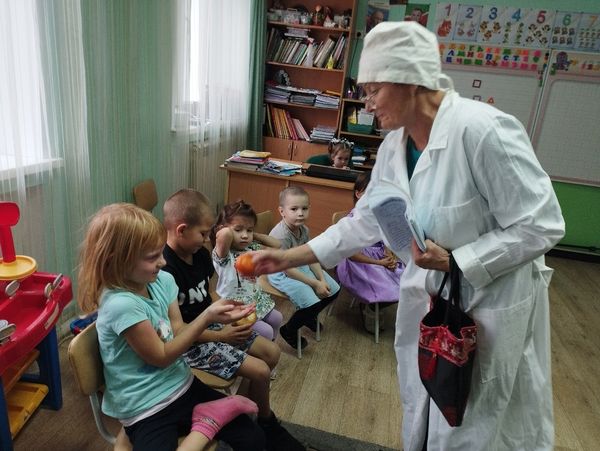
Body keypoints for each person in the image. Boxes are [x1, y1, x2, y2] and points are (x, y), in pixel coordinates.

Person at [252, 22, 565, 451]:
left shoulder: (483, 131)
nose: (366, 103)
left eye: (374, 90)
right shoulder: (395, 146)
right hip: (430, 297)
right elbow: (363, 221)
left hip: (489, 303)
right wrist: (288, 258)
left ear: (410, 80)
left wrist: (458, 260)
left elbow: (542, 223)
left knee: (474, 423)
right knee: (424, 404)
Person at [77, 203, 265, 451]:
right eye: (152, 257)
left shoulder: (162, 280)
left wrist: (218, 317)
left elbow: (177, 330)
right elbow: (162, 357)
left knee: (253, 437)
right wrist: (206, 318)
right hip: (145, 408)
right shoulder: (121, 305)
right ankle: (209, 421)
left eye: (160, 253)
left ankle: (209, 420)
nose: (163, 262)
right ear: (117, 261)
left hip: (182, 385)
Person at [162, 189, 305, 451]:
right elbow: (178, 331)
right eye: (203, 233)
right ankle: (265, 421)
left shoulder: (199, 254)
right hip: (190, 343)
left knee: (272, 353)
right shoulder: (165, 270)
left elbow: (211, 294)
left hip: (213, 325)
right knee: (260, 370)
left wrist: (230, 312)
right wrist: (222, 336)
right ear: (181, 230)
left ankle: (244, 413)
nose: (206, 239)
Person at [267, 186, 340, 350]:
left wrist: (321, 279)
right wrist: (315, 284)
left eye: (304, 208)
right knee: (312, 303)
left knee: (334, 290)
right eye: (294, 209)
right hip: (281, 273)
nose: (300, 213)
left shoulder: (304, 230)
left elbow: (310, 256)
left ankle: (307, 316)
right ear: (282, 211)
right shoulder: (281, 236)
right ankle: (289, 330)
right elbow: (287, 270)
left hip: (299, 265)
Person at [335, 171, 404, 333]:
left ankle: (373, 304)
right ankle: (371, 308)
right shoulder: (351, 220)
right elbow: (350, 254)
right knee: (389, 287)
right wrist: (379, 263)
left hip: (377, 257)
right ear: (358, 194)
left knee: (406, 283)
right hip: (356, 263)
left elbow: (384, 238)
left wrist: (389, 254)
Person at [210, 199, 284, 341]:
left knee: (277, 318)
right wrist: (224, 229)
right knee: (266, 331)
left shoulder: (251, 247)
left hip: (255, 297)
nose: (245, 235)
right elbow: (224, 235)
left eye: (249, 230)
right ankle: (262, 348)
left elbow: (277, 245)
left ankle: (269, 347)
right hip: (235, 304)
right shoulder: (223, 255)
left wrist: (253, 235)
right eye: (238, 230)